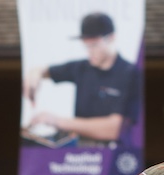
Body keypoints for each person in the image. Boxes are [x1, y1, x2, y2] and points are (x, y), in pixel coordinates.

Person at [24, 12, 141, 144]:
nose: (89, 51)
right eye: (86, 46)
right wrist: (33, 76)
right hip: (82, 155)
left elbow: (114, 129)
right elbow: (42, 70)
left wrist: (56, 121)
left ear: (112, 38)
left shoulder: (130, 73)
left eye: (94, 45)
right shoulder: (81, 68)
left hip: (114, 157)